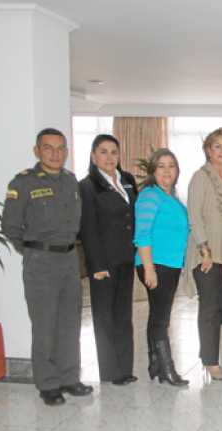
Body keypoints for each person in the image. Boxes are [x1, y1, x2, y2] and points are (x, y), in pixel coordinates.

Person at [2, 128, 93, 406]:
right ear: (37, 151)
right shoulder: (23, 183)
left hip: (69, 259)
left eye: (60, 148)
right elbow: (10, 227)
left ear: (66, 151)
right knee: (44, 324)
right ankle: (48, 383)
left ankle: (69, 377)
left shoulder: (70, 180)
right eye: (48, 148)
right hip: (40, 262)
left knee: (70, 322)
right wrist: (33, 251)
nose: (55, 154)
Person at [184, 127, 222, 381]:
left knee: (219, 306)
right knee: (209, 308)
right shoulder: (200, 177)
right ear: (208, 150)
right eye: (217, 146)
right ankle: (210, 361)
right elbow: (194, 216)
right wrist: (204, 250)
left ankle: (207, 353)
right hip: (207, 249)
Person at [79, 134, 138, 385]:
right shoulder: (87, 186)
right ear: (94, 156)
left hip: (126, 258)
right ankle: (110, 371)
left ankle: (124, 368)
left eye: (114, 152)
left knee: (123, 315)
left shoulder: (127, 180)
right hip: (104, 261)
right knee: (105, 317)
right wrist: (97, 265)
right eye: (103, 152)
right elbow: (88, 229)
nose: (109, 157)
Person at [133, 148, 189, 386]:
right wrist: (149, 269)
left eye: (171, 166)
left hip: (170, 264)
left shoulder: (171, 197)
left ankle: (155, 364)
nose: (167, 171)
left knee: (157, 314)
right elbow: (142, 234)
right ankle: (167, 369)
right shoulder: (149, 196)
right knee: (161, 318)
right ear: (153, 171)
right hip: (156, 264)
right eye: (161, 166)